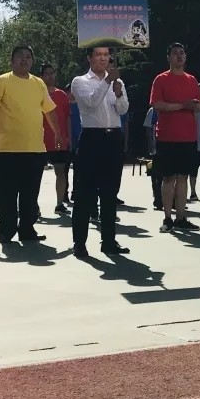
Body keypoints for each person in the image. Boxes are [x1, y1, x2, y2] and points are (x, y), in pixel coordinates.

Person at [0, 45, 62, 245]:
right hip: (8, 148)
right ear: (12, 61)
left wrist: (58, 133)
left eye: (28, 57)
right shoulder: (2, 81)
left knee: (30, 194)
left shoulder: (38, 83)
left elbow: (49, 110)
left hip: (34, 148)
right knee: (8, 194)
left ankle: (27, 230)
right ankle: (6, 231)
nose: (24, 60)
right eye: (20, 57)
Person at [70, 46, 129, 257]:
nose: (103, 59)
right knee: (85, 192)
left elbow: (123, 109)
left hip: (113, 137)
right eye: (98, 55)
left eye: (106, 55)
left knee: (110, 192)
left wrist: (119, 93)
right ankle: (79, 242)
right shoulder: (80, 81)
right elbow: (91, 103)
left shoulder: (117, 82)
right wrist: (107, 82)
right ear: (89, 58)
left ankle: (109, 241)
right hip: (92, 137)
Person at [149, 43, 200, 232]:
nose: (179, 56)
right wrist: (182, 106)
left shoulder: (192, 80)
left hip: (188, 136)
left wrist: (195, 106)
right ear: (169, 58)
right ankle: (167, 218)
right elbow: (157, 104)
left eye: (182, 53)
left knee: (183, 177)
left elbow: (199, 105)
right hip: (167, 136)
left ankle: (181, 217)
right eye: (175, 53)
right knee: (168, 178)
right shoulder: (161, 79)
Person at [39, 63, 72, 215]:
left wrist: (68, 137)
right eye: (47, 74)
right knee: (36, 175)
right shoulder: (36, 93)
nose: (50, 76)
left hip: (59, 141)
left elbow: (67, 117)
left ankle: (59, 203)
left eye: (52, 73)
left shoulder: (62, 95)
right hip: (40, 140)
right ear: (41, 77)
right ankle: (33, 205)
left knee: (61, 172)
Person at [143, 106, 162, 210]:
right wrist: (151, 146)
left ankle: (173, 200)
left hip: (170, 147)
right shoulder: (153, 111)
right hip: (156, 149)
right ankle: (158, 200)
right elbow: (148, 128)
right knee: (156, 176)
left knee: (171, 176)